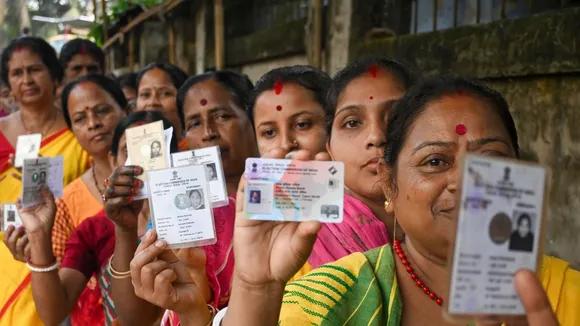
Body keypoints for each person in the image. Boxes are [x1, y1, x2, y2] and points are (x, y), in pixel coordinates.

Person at [139, 76, 579, 326]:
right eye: (435, 161)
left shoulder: (567, 294)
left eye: (490, 159)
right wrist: (257, 289)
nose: (465, 181)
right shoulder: (325, 298)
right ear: (388, 187)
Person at [111, 70, 258, 326]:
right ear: (184, 139)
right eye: (194, 123)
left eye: (222, 116)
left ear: (254, 119)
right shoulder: (176, 211)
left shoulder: (282, 202)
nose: (209, 132)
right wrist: (124, 228)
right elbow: (138, 318)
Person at [5, 111, 177, 326]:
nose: (141, 163)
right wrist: (39, 234)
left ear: (175, 157)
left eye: (155, 149)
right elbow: (53, 313)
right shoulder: (96, 229)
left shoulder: (196, 220)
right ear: (113, 161)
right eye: (128, 151)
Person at [0, 37, 89, 326]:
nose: (26, 79)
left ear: (54, 75)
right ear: (8, 83)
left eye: (35, 69)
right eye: (17, 73)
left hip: (56, 260)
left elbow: (86, 200)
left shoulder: (79, 135)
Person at [135, 62, 188, 146]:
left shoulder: (199, 150)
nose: (152, 102)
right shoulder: (127, 153)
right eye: (145, 94)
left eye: (165, 94)